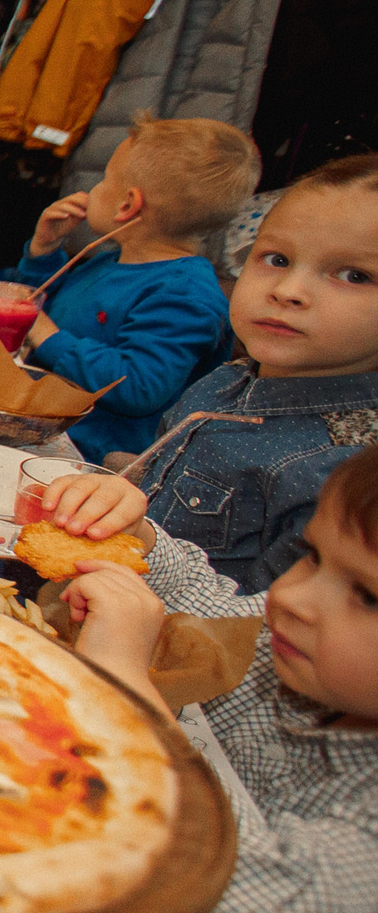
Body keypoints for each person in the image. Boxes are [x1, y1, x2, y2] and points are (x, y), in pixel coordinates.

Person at [61, 447, 378, 913]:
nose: (291, 597)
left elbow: (228, 886)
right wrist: (142, 540)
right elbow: (218, 615)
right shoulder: (315, 656)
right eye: (314, 556)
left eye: (367, 596)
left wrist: (126, 684)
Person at [133, 154, 378, 591]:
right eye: (277, 259)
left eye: (354, 275)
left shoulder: (343, 470)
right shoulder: (225, 382)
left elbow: (265, 630)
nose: (287, 291)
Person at [0, 114, 256, 459]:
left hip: (84, 458)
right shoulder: (110, 260)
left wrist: (49, 337)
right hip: (34, 424)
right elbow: (39, 305)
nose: (93, 190)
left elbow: (138, 387)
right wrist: (44, 251)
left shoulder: (186, 294)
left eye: (104, 179)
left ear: (127, 205)